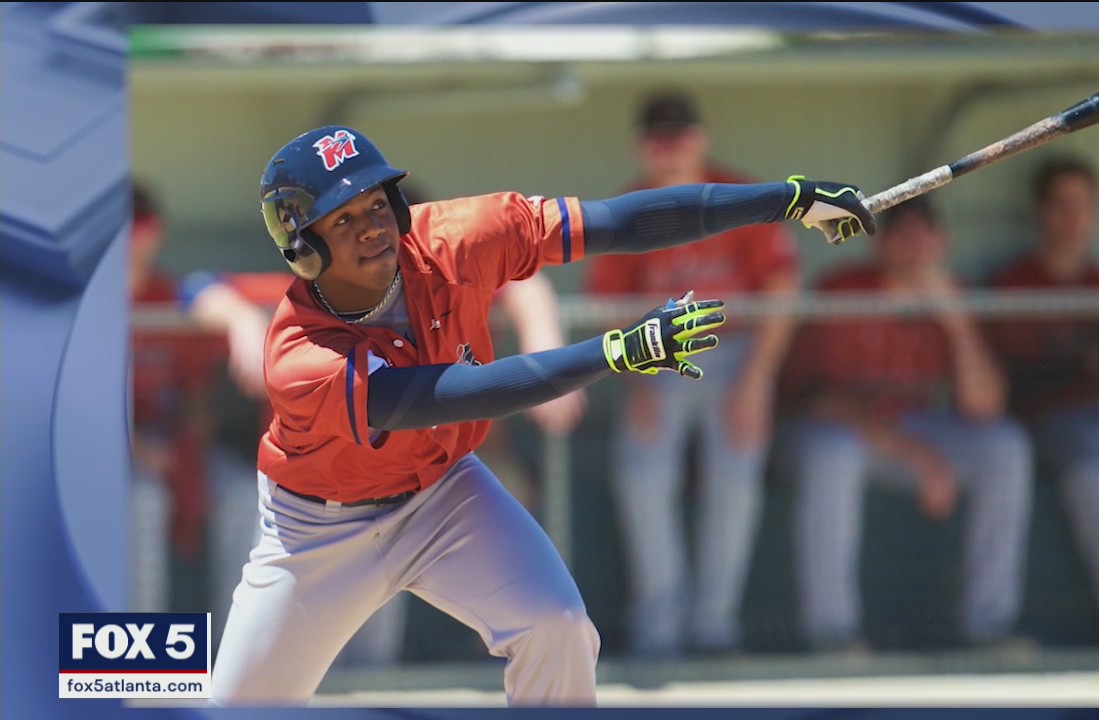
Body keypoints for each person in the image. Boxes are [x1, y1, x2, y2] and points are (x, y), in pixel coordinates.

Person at [208, 124, 876, 706]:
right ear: (302, 245)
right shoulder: (300, 352)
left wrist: (785, 199)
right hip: (318, 532)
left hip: (442, 493)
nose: (372, 227)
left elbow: (619, 222)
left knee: (557, 626)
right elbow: (452, 394)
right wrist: (612, 352)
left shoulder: (458, 236)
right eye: (343, 219)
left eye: (377, 203)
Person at [182, 188, 587, 668]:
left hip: (419, 490)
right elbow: (196, 287)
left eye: (388, 222)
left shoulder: (444, 274)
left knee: (374, 659)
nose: (379, 241)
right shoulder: (313, 298)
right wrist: (241, 320)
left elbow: (525, 283)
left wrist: (543, 343)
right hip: (310, 511)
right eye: (349, 225)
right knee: (256, 673)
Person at [583, 90, 801, 658]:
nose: (670, 147)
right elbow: (608, 305)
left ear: (700, 140)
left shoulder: (737, 194)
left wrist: (757, 382)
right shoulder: (626, 208)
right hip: (656, 357)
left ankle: (714, 628)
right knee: (642, 472)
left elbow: (783, 288)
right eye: (658, 138)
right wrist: (634, 381)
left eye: (679, 136)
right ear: (641, 146)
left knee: (736, 480)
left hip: (738, 354)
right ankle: (659, 629)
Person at [777, 196, 1034, 654]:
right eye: (901, 236)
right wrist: (918, 457)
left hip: (914, 428)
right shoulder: (844, 288)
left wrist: (957, 323)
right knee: (833, 454)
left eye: (924, 236)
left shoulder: (951, 293)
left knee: (1005, 447)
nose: (914, 248)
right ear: (878, 244)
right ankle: (831, 633)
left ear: (943, 244)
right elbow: (820, 401)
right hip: (830, 432)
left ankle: (989, 625)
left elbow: (985, 407)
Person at [986, 156, 1099, 638]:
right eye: (1063, 205)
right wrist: (1081, 357)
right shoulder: (1013, 283)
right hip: (1052, 423)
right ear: (1041, 212)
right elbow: (1019, 379)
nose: (1075, 218)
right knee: (1092, 484)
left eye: (1085, 205)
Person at [129, 180, 254, 628]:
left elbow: (196, 398)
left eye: (138, 225)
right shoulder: (75, 300)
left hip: (171, 446)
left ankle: (233, 651)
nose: (131, 239)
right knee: (142, 501)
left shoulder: (172, 294)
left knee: (245, 495)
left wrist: (188, 451)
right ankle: (138, 656)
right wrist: (136, 447)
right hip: (109, 455)